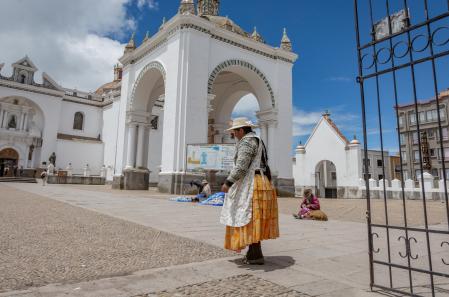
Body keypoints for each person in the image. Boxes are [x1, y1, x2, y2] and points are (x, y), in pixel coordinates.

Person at [220, 117, 279, 265]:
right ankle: (255, 253)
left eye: (235, 132)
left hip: (252, 183)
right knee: (254, 219)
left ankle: (255, 254)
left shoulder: (247, 142)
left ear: (241, 130)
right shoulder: (258, 140)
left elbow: (241, 166)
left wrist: (228, 182)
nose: (234, 135)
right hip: (262, 181)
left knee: (248, 216)